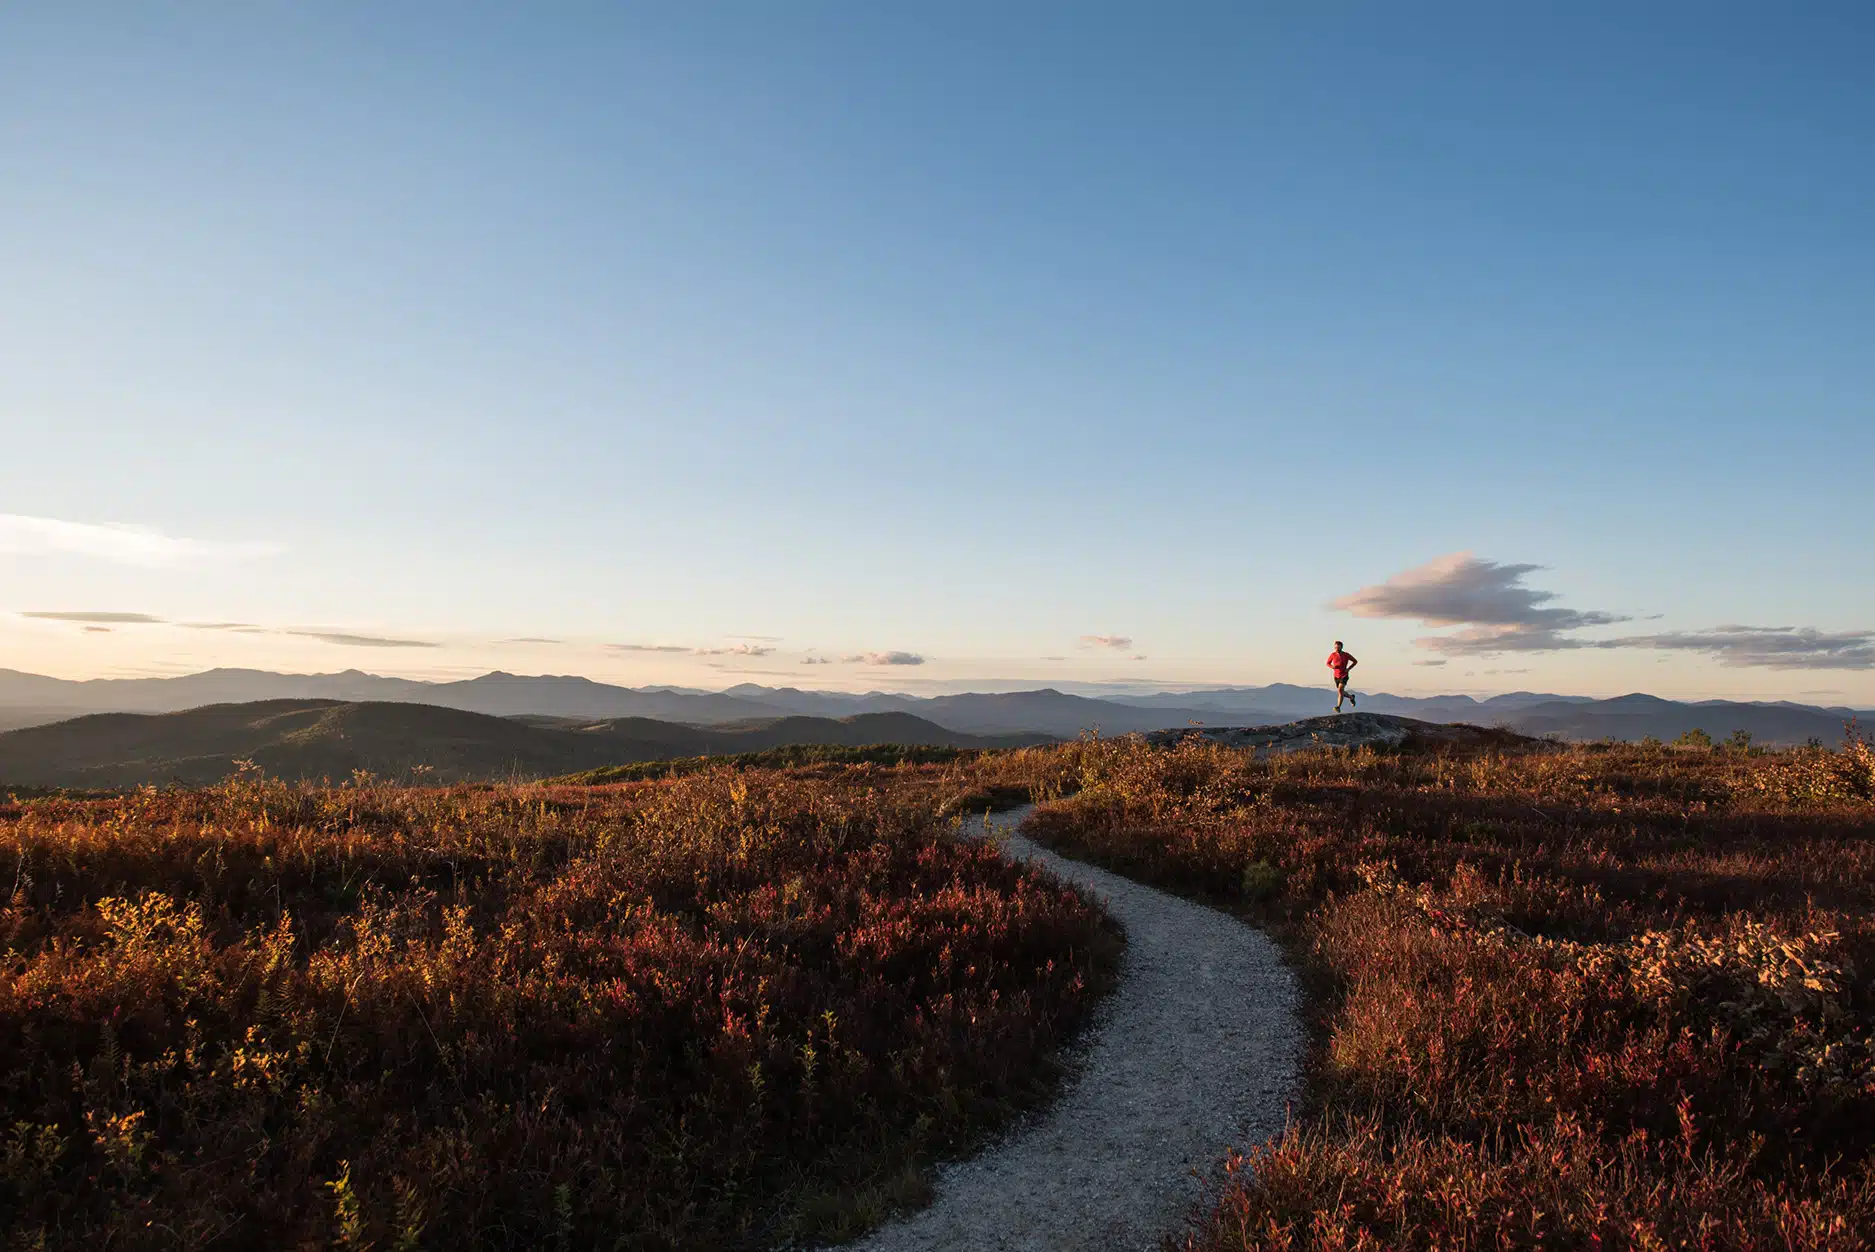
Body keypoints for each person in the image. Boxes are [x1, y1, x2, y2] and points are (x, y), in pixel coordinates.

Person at [1327, 641, 1358, 711]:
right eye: (1335, 647)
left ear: (1341, 647)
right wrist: (1332, 667)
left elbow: (1355, 661)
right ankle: (1351, 697)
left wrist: (1348, 669)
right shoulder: (1333, 655)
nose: (1336, 649)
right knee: (1341, 692)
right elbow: (1328, 663)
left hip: (1344, 675)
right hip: (1336, 676)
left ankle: (1338, 707)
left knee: (1340, 690)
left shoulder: (1346, 655)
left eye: (1338, 647)